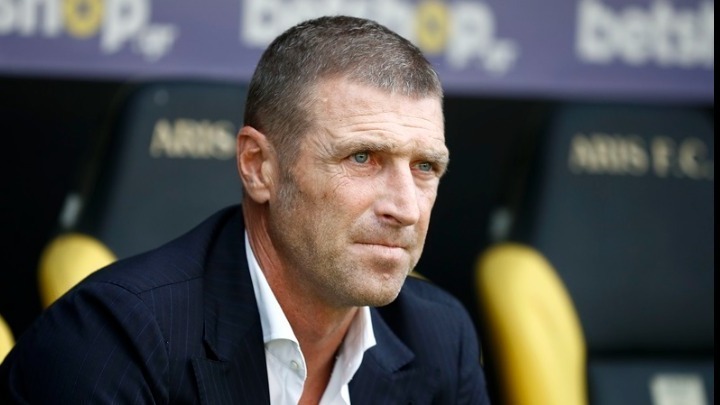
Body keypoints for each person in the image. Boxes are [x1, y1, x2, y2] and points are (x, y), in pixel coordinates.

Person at [0, 16, 490, 404]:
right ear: (258, 166)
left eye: (425, 167)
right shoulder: (114, 339)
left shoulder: (441, 338)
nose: (406, 208)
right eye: (361, 158)